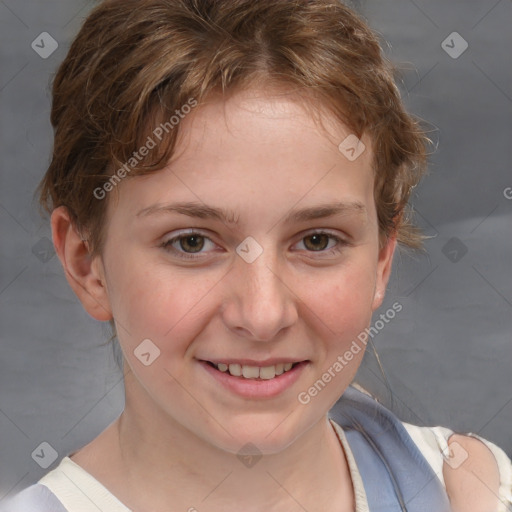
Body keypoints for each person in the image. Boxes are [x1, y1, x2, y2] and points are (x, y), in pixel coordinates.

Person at [2, 0, 511, 511]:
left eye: (317, 240)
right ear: (87, 264)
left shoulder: (476, 490)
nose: (263, 316)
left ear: (381, 259)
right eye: (192, 242)